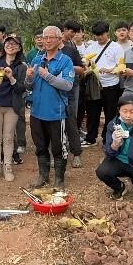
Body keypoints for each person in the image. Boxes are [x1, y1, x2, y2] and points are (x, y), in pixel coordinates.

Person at [26, 26, 74, 189]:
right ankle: (43, 176)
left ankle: (59, 180)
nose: (47, 40)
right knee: (40, 146)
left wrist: (46, 75)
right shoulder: (37, 60)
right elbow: (29, 85)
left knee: (58, 147)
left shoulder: (65, 61)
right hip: (36, 111)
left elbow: (67, 85)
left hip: (56, 111)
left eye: (51, 37)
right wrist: (29, 77)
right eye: (44, 37)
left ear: (59, 40)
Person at [0, 35, 27, 181]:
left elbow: (22, 89)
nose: (10, 45)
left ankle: (7, 166)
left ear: (19, 48)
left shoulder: (21, 67)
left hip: (12, 106)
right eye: (8, 43)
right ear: (4, 46)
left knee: (8, 138)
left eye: (14, 44)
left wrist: (11, 78)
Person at [81, 21, 125, 148]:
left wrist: (109, 70)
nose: (99, 37)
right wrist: (87, 67)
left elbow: (121, 67)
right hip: (94, 85)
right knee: (92, 112)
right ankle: (91, 137)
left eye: (102, 34)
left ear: (108, 32)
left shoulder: (116, 47)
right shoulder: (91, 47)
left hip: (111, 85)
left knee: (110, 113)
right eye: (97, 35)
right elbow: (86, 62)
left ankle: (108, 138)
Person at [59, 27, 85, 167]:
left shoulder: (71, 51)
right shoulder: (45, 53)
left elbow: (81, 70)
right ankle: (56, 154)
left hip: (69, 91)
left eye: (54, 37)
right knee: (53, 125)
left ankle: (76, 153)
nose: (49, 40)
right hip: (51, 93)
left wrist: (68, 66)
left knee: (70, 121)